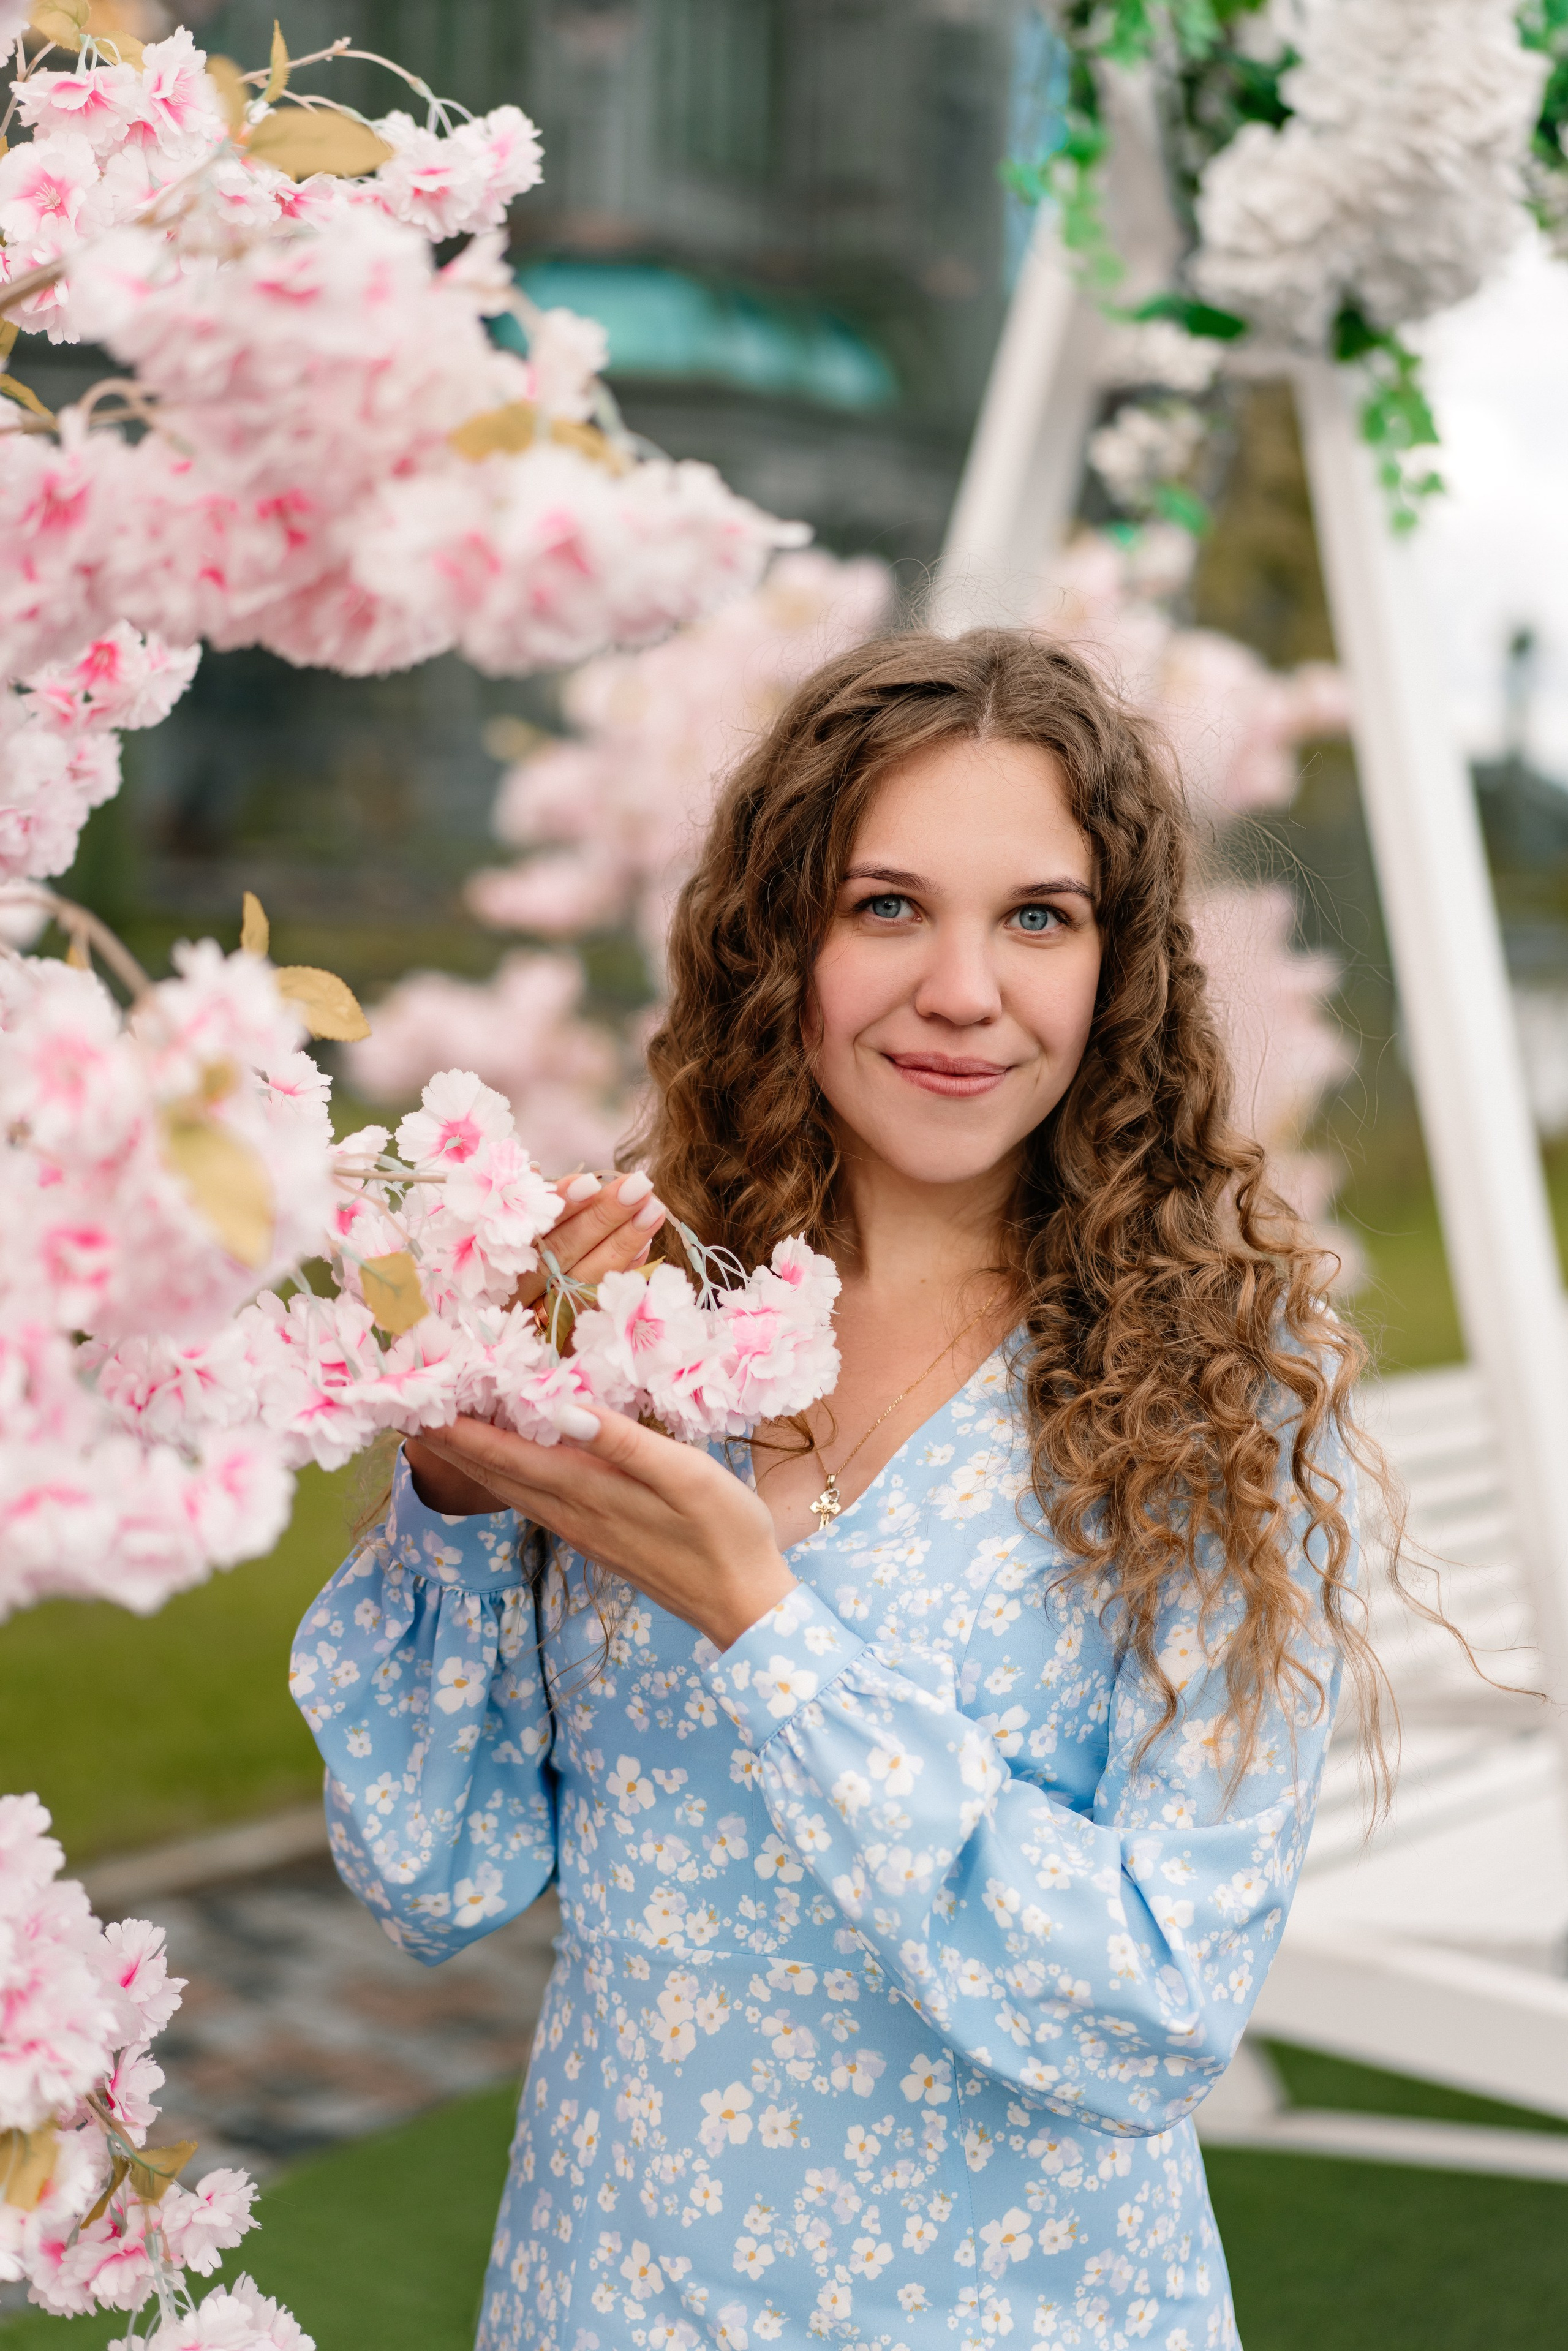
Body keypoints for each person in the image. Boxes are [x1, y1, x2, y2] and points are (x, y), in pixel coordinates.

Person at [292, 628, 1374, 2351]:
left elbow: (1154, 2010)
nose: (962, 988)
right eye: (887, 907)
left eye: (1038, 915)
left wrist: (767, 1630)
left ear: (1121, 970)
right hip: (616, 2287)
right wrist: (461, 1495)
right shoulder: (645, 1317)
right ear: (779, 937)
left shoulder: (1217, 1397)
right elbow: (433, 1872)